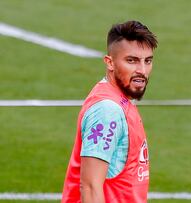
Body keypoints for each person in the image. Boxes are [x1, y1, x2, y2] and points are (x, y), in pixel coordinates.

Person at [61, 20, 158, 203]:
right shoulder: (108, 111)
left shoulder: (119, 101)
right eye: (132, 60)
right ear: (110, 62)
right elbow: (90, 187)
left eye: (148, 61)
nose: (142, 71)